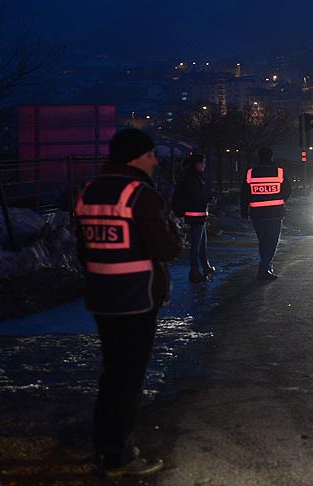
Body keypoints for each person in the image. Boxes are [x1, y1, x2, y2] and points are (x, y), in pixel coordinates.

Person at [74, 128, 180, 478]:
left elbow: (82, 249)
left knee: (112, 372)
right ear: (136, 158)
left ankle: (106, 444)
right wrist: (173, 232)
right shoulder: (141, 195)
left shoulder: (88, 191)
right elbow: (165, 249)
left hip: (101, 295)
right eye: (152, 155)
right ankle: (118, 455)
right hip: (136, 297)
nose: (156, 161)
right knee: (128, 378)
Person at [241, 147, 292, 280]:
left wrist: (244, 211)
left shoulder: (250, 173)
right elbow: (288, 190)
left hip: (257, 213)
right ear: (271, 157)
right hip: (275, 212)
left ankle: (266, 268)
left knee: (263, 242)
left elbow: (244, 194)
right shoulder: (278, 172)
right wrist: (279, 199)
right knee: (272, 242)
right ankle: (263, 269)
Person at [171, 152, 214, 282]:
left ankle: (205, 266)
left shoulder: (190, 177)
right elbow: (198, 197)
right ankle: (194, 271)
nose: (205, 166)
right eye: (203, 163)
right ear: (198, 164)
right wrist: (209, 198)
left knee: (201, 243)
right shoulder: (194, 179)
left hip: (195, 215)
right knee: (196, 245)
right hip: (196, 214)